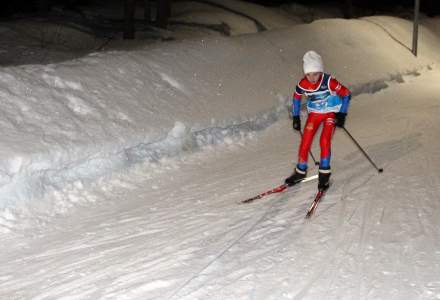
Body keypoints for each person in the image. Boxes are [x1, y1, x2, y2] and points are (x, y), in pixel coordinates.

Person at [284, 50, 351, 190]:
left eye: (315, 74)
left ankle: (324, 174)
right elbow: (296, 98)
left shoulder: (328, 81)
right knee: (305, 140)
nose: (312, 78)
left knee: (324, 140)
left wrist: (342, 114)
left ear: (321, 71)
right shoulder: (303, 83)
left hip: (330, 113)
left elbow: (346, 94)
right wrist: (296, 117)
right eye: (308, 74)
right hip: (315, 114)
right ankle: (300, 172)